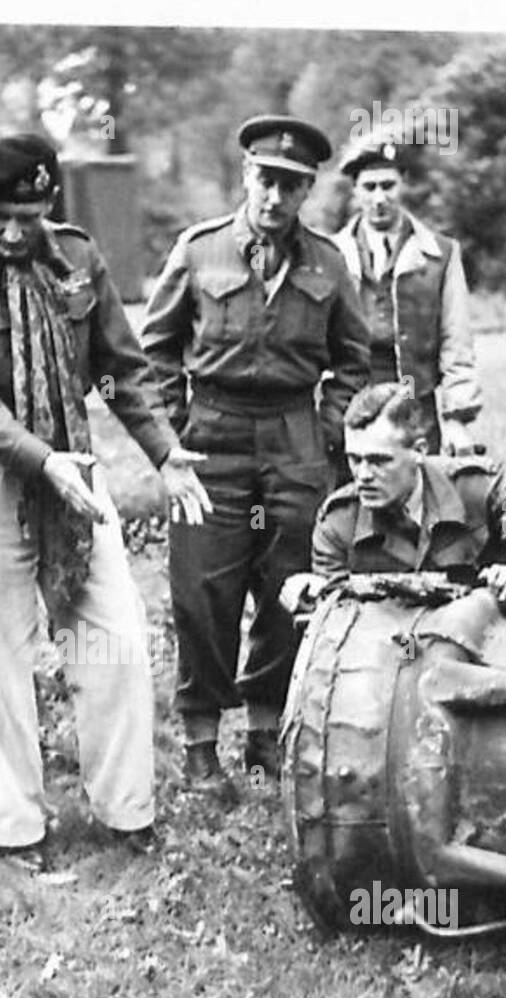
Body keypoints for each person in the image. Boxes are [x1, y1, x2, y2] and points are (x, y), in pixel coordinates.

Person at [0, 134, 210, 858]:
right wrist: (42, 462)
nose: (13, 232)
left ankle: (127, 814)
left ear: (48, 206)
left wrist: (167, 454)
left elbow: (124, 367)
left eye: (28, 214)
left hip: (77, 469)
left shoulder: (77, 257)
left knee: (114, 639)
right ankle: (17, 830)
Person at [140, 115, 369, 794]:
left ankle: (266, 729)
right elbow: (152, 347)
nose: (276, 198)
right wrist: (176, 430)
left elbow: (355, 361)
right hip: (213, 435)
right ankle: (200, 738)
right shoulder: (200, 250)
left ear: (308, 191)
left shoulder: (329, 262)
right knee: (203, 588)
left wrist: (326, 432)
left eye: (292, 187)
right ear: (247, 176)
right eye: (267, 181)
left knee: (289, 585)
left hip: (295, 436)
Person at [285, 383, 506, 603]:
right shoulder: (339, 521)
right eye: (355, 459)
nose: (363, 475)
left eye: (379, 461)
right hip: (395, 657)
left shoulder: (479, 487)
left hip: (483, 648)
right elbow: (333, 619)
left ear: (419, 451)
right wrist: (312, 591)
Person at [333, 137, 480, 456]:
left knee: (418, 495)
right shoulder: (331, 254)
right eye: (369, 187)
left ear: (405, 185)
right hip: (349, 405)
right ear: (355, 191)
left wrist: (458, 419)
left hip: (415, 406)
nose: (379, 198)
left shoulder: (440, 254)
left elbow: (457, 341)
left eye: (388, 185)